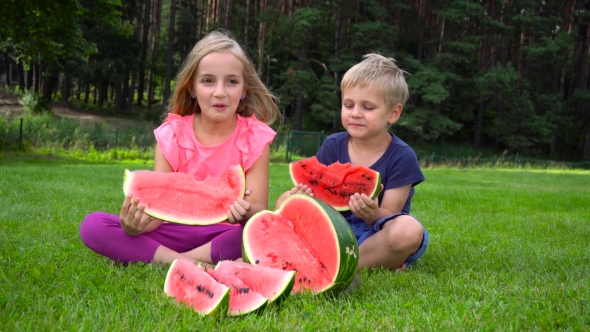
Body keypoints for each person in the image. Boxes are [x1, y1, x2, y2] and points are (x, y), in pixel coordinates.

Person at [80, 30, 280, 266]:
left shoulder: (254, 138)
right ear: (192, 88)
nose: (219, 92)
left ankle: (167, 261)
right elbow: (156, 215)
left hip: (222, 235)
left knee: (266, 230)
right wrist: (133, 227)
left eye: (232, 82)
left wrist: (245, 212)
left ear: (244, 89)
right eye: (207, 81)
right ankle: (193, 263)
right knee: (93, 225)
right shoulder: (172, 135)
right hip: (172, 233)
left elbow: (258, 212)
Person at [275, 54, 428, 271]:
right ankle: (370, 261)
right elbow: (312, 199)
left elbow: (391, 213)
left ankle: (339, 266)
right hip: (333, 229)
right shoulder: (333, 145)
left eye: (368, 107)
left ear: (393, 113)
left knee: (408, 231)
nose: (355, 114)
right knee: (282, 203)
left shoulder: (402, 156)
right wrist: (298, 197)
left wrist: (371, 212)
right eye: (348, 105)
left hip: (374, 232)